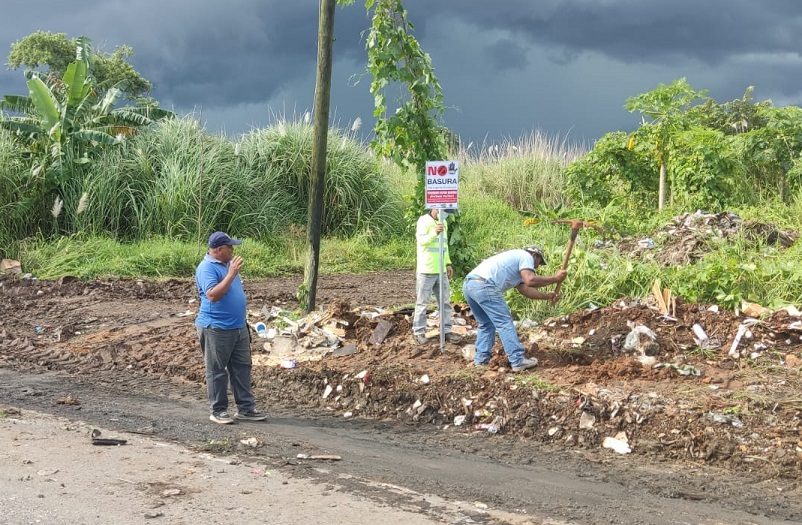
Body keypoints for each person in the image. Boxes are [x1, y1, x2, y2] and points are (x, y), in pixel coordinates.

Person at [195, 231, 267, 424]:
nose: (233, 250)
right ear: (219, 249)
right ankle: (218, 410)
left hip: (238, 326)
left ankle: (246, 409)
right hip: (216, 327)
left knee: (242, 367)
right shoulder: (206, 268)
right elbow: (212, 295)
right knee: (217, 370)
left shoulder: (228, 264)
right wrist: (231, 274)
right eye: (229, 247)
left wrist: (231, 272)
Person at [462, 245, 567, 372]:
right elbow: (530, 280)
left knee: (486, 324)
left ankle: (481, 360)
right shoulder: (526, 256)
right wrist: (556, 278)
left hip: (470, 285)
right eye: (539, 262)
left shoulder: (515, 262)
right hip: (485, 285)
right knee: (504, 322)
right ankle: (517, 360)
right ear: (535, 255)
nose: (537, 267)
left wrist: (548, 296)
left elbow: (526, 290)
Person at [413, 207, 460, 345]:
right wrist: (434, 232)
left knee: (445, 302)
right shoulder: (424, 220)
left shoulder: (443, 222)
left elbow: (444, 245)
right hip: (426, 270)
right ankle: (419, 332)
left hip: (441, 270)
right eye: (444, 211)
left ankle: (446, 331)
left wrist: (448, 263)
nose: (446, 215)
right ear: (436, 209)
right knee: (422, 303)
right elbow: (422, 241)